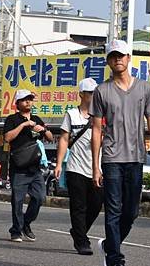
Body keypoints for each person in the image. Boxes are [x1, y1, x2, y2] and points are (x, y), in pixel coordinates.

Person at [91, 39, 150, 266]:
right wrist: (95, 165)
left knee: (131, 212)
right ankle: (115, 258)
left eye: (121, 55)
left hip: (136, 157)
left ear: (128, 58)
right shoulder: (101, 91)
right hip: (112, 158)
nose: (117, 59)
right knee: (113, 210)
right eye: (113, 56)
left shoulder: (145, 88)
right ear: (108, 61)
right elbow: (97, 130)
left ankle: (108, 245)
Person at [54, 77, 103, 255]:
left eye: (95, 93)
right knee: (78, 206)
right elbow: (64, 139)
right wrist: (59, 163)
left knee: (97, 203)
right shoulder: (71, 114)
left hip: (97, 169)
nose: (93, 96)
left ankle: (78, 231)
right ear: (81, 94)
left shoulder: (101, 116)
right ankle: (82, 242)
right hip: (75, 167)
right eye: (90, 93)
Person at [4, 89, 53, 243]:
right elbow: (7, 138)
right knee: (17, 201)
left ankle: (26, 224)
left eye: (30, 99)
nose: (28, 102)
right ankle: (16, 231)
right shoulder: (12, 119)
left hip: (35, 167)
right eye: (24, 100)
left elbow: (50, 138)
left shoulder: (37, 118)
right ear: (17, 103)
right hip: (18, 167)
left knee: (39, 198)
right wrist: (24, 124)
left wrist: (43, 130)